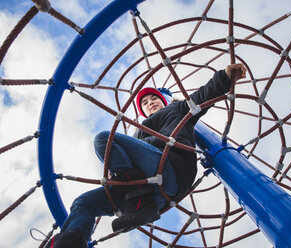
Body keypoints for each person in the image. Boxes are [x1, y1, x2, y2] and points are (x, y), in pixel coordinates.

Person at [46, 64, 246, 247]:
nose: (150, 103)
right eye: (145, 103)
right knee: (84, 203)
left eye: (154, 99)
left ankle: (139, 196)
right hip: (146, 194)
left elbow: (203, 96)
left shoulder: (178, 108)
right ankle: (71, 242)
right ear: (142, 111)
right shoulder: (137, 131)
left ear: (164, 101)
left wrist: (226, 77)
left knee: (104, 139)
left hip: (170, 165)